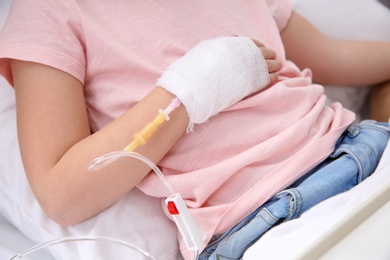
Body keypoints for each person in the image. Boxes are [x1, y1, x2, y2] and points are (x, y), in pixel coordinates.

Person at [0, 0, 389, 259]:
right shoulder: (47, 11)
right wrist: (190, 91)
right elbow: (60, 194)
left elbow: (334, 58)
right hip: (263, 222)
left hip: (360, 146)